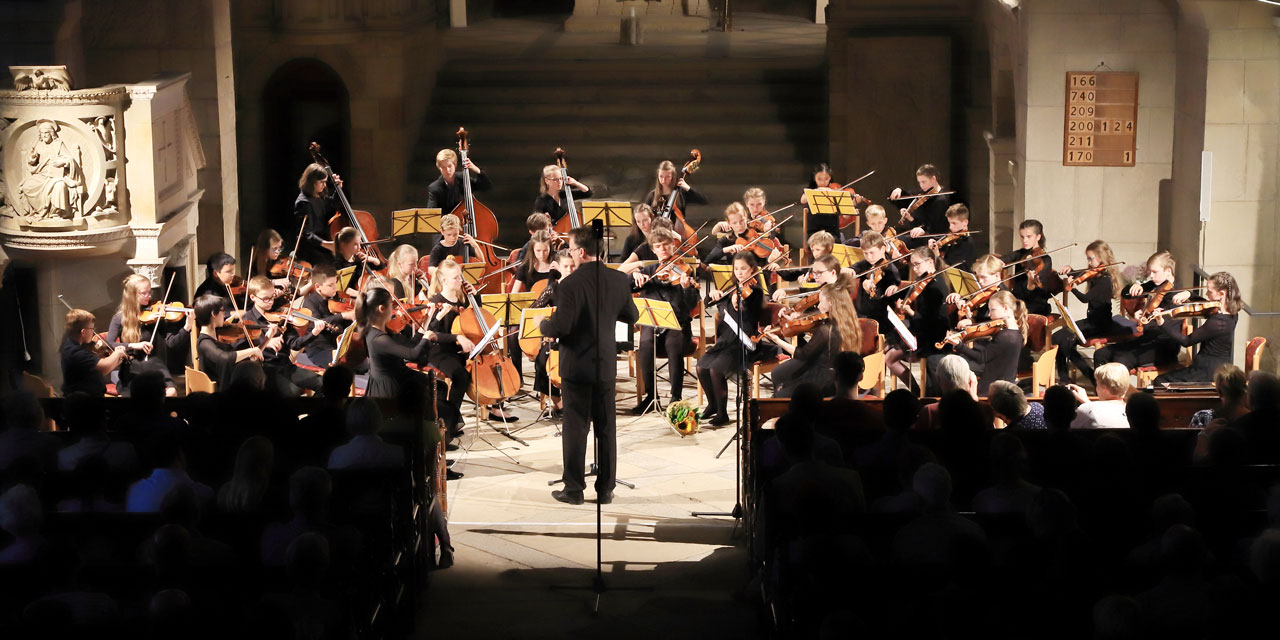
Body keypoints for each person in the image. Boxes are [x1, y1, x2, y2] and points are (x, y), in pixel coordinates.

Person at [540, 226, 639, 505]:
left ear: (581, 252)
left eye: (571, 249)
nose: (571, 253)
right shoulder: (619, 280)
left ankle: (573, 490)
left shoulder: (569, 284)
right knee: (606, 428)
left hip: (577, 366)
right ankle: (605, 489)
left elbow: (563, 326)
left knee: (576, 427)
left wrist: (543, 324)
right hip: (605, 364)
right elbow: (631, 315)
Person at [697, 252, 776, 426]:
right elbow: (708, 303)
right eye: (737, 269)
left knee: (715, 370)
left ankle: (723, 413)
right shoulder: (732, 287)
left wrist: (739, 302)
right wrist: (714, 295)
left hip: (745, 342)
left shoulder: (755, 292)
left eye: (744, 269)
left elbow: (753, 315)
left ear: (752, 270)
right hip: (726, 340)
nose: (739, 272)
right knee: (701, 366)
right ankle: (713, 405)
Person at [630, 227, 699, 413]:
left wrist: (686, 288)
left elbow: (692, 304)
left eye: (666, 245)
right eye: (658, 246)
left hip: (678, 325)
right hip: (652, 324)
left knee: (673, 343)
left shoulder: (684, 271)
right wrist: (634, 275)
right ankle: (651, 396)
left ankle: (676, 397)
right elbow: (627, 285)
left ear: (673, 245)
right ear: (653, 249)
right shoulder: (649, 271)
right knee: (644, 345)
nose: (663, 249)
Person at [1094, 250, 1193, 371]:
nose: (1151, 276)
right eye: (1150, 272)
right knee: (1100, 354)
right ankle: (1099, 388)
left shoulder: (1178, 296)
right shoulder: (1155, 285)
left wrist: (1140, 320)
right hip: (1147, 340)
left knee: (1121, 359)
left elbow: (1160, 328)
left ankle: (1115, 389)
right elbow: (1125, 294)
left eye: (1155, 272)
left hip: (1164, 348)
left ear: (1168, 271)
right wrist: (1136, 286)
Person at [767, 276, 861, 398]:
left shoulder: (825, 330)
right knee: (779, 375)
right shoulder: (847, 321)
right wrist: (797, 320)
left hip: (825, 378)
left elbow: (803, 354)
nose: (818, 306)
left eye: (821, 302)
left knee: (782, 392)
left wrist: (777, 340)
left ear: (831, 303)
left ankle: (785, 406)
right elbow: (819, 331)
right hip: (837, 372)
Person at [235, 276, 328, 396]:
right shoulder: (247, 321)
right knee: (293, 392)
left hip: (285, 365)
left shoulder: (280, 315)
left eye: (272, 297)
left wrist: (313, 333)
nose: (270, 301)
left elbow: (295, 344)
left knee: (324, 384)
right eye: (265, 299)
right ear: (253, 297)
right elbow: (241, 353)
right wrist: (266, 343)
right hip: (265, 370)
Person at [1052, 240, 1123, 385]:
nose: (1089, 263)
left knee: (1065, 340)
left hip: (1100, 324)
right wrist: (1069, 269)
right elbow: (1081, 273)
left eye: (1091, 258)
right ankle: (1065, 377)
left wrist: (1072, 288)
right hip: (1091, 321)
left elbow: (1085, 299)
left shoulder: (1105, 280)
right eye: (1088, 259)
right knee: (1057, 337)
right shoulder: (1095, 274)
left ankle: (1086, 374)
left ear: (1102, 258)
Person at [1152, 271, 1242, 384]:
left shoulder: (1218, 322)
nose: (1207, 295)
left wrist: (1162, 323)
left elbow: (1186, 340)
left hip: (1207, 371)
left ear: (1222, 294)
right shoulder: (1232, 314)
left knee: (1159, 381)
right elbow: (1205, 304)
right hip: (1219, 366)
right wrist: (1189, 294)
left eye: (1209, 291)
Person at [106, 273, 187, 395]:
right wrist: (134, 345)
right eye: (144, 293)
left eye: (150, 292)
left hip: (154, 364)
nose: (149, 296)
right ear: (132, 295)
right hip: (132, 366)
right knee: (138, 396)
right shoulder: (119, 318)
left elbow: (172, 342)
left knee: (171, 392)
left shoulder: (156, 316)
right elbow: (110, 344)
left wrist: (187, 326)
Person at [885, 246, 949, 393]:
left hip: (931, 336)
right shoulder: (923, 280)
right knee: (887, 348)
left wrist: (911, 313)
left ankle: (916, 392)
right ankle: (916, 391)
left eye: (917, 264)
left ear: (931, 262)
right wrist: (904, 307)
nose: (914, 269)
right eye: (912, 265)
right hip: (920, 328)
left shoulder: (936, 286)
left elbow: (931, 321)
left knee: (890, 358)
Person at [941, 290, 1027, 396]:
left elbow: (981, 358)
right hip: (1002, 381)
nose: (990, 315)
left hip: (993, 389)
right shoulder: (1013, 332)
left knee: (951, 367)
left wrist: (958, 345)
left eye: (992, 310)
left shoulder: (1006, 336)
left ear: (1005, 308)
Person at [193, 295, 265, 389]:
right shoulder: (204, 343)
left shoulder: (212, 338)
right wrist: (251, 351)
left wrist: (267, 339)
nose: (224, 314)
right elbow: (225, 358)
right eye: (223, 311)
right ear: (213, 314)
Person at [60, 308, 126, 397]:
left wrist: (119, 359)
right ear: (83, 332)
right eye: (91, 329)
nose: (93, 332)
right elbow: (104, 367)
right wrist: (117, 353)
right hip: (84, 401)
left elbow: (104, 369)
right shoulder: (74, 351)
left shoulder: (74, 344)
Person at [1000, 219, 1058, 316]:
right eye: (1022, 237)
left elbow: (1035, 291)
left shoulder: (1045, 260)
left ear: (1038, 237)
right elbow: (1004, 258)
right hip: (1018, 299)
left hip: (1035, 304)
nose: (1024, 240)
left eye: (1029, 237)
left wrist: (1030, 281)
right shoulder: (1021, 253)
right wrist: (999, 262)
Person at [644, 159, 708, 239]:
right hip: (657, 238)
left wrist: (688, 188)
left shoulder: (680, 193)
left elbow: (703, 200)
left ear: (672, 176)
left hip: (678, 236)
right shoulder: (652, 196)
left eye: (667, 177)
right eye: (661, 176)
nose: (663, 180)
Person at [889, 164, 951, 245]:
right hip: (918, 233)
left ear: (933, 178)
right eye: (919, 182)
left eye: (924, 182)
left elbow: (936, 230)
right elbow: (907, 199)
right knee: (891, 234)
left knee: (897, 242)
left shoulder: (941, 201)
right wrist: (899, 190)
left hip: (930, 240)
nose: (921, 185)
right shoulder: (924, 193)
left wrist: (923, 231)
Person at [292, 163, 341, 264]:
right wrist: (327, 244)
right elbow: (306, 234)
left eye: (325, 182)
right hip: (309, 247)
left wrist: (339, 189)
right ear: (312, 182)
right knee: (328, 265)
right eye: (321, 182)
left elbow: (332, 205)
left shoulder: (320, 195)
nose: (324, 185)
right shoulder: (303, 202)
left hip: (321, 243)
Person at [426, 147, 491, 220]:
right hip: (449, 227)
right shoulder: (434, 188)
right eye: (443, 167)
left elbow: (486, 186)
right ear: (439, 168)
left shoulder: (463, 178)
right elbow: (431, 215)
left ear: (455, 165)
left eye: (449, 166)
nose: (447, 170)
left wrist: (476, 169)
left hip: (468, 221)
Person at [1066, 362, 1130, 429]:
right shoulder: (1132, 412)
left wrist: (1087, 405)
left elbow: (1070, 430)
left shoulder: (1088, 409)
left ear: (1104, 388)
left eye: (1097, 384)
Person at [425, 213, 484, 282]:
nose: (452, 238)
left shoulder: (464, 243)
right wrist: (447, 274)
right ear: (442, 231)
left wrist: (475, 246)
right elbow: (431, 269)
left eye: (456, 234)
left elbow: (481, 262)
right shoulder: (438, 249)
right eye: (449, 234)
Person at [331, 226, 385, 298]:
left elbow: (381, 266)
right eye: (355, 244)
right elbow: (343, 288)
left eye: (359, 243)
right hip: (350, 298)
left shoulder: (358, 258)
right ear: (343, 245)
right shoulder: (337, 264)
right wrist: (362, 294)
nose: (359, 247)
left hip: (364, 295)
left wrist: (371, 259)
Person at [931, 203, 975, 272]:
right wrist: (932, 240)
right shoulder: (953, 237)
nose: (950, 227)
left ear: (965, 222)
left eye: (954, 223)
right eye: (949, 223)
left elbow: (949, 270)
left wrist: (937, 256)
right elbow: (940, 240)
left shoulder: (966, 243)